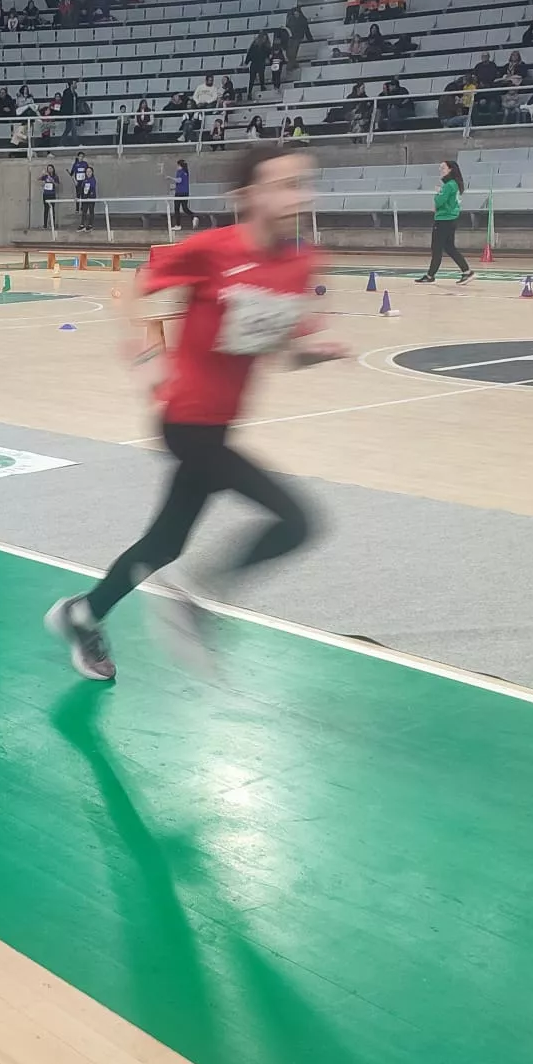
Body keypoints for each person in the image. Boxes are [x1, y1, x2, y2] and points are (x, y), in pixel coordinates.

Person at [45, 142, 346, 681]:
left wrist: (312, 353)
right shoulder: (211, 250)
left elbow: (280, 353)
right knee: (298, 521)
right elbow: (137, 289)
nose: (297, 195)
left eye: (302, 183)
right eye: (282, 184)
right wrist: (147, 358)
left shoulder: (300, 263)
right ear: (247, 196)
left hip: (220, 424)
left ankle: (82, 613)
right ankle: (195, 600)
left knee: (163, 543)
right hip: (185, 423)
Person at [416, 161, 473, 284]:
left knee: (436, 248)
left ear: (450, 169)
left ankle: (430, 275)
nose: (440, 170)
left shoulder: (448, 186)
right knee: (449, 247)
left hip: (444, 220)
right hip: (451, 219)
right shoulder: (454, 185)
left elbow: (439, 201)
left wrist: (438, 193)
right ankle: (466, 271)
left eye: (443, 168)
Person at [72, 154, 96, 232]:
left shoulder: (93, 180)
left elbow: (91, 188)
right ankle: (82, 225)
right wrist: (78, 197)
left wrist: (90, 196)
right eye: (87, 172)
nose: (88, 173)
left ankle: (90, 225)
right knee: (84, 211)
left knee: (91, 211)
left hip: (91, 198)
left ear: (92, 172)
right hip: (85, 198)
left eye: (90, 172)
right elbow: (81, 190)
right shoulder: (84, 181)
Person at [172, 159, 193, 228]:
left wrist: (170, 178)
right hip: (185, 192)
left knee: (177, 209)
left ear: (180, 165)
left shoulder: (180, 172)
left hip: (179, 193)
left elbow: (179, 180)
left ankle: (178, 225)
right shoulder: (186, 172)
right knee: (185, 208)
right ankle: (194, 216)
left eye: (177, 165)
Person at [39, 163, 59, 230]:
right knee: (46, 209)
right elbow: (38, 180)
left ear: (53, 169)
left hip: (52, 194)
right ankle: (45, 225)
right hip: (45, 194)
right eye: (48, 169)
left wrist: (50, 178)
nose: (49, 170)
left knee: (52, 209)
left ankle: (52, 224)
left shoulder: (55, 176)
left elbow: (56, 185)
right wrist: (42, 175)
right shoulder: (45, 176)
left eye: (50, 168)